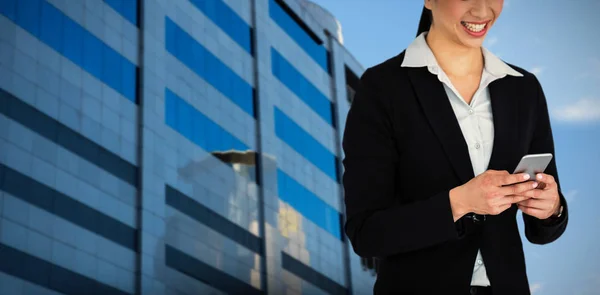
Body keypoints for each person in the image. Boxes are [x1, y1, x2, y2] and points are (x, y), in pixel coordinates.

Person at [341, 0, 568, 294]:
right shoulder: (382, 87)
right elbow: (367, 234)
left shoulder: (524, 88)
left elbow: (544, 229)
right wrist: (460, 202)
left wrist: (552, 208)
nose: (483, 11)